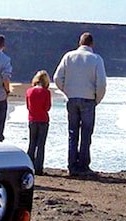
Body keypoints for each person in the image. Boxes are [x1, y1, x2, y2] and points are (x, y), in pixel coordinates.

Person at [53, 32, 107, 177]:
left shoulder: (69, 56)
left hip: (72, 98)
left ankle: (72, 165)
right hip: (88, 99)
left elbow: (57, 77)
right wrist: (97, 99)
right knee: (86, 133)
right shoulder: (96, 59)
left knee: (72, 133)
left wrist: (66, 91)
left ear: (79, 43)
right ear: (92, 44)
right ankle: (83, 166)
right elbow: (101, 83)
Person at [25, 70, 52, 175]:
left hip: (32, 119)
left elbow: (28, 106)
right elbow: (47, 107)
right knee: (41, 145)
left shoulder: (29, 91)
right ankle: (39, 168)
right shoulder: (46, 92)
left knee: (32, 143)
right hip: (43, 120)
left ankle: (28, 166)